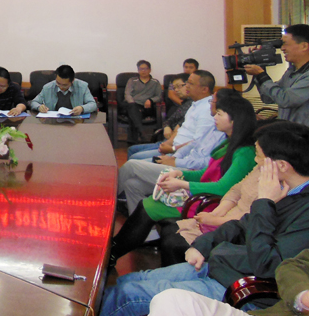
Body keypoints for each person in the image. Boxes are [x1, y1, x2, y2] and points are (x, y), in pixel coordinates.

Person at [100, 121, 309, 316]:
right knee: (131, 280)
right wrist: (203, 244)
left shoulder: (299, 209)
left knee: (127, 294)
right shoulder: (284, 190)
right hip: (221, 265)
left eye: (260, 157)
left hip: (236, 284)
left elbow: (268, 265)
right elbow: (241, 225)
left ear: (282, 165)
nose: (256, 162)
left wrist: (264, 202)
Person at [109, 95, 257, 268]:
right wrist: (180, 173)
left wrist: (181, 184)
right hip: (204, 196)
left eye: (220, 114)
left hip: (212, 204)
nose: (215, 117)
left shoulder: (244, 152)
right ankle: (114, 250)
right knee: (142, 197)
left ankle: (113, 252)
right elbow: (206, 173)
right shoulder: (229, 143)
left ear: (234, 120)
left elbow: (223, 188)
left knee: (148, 207)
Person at [117, 80, 228, 214]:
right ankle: (142, 224)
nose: (210, 104)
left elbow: (205, 164)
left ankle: (107, 201)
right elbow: (193, 144)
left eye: (213, 102)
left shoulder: (225, 138)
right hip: (179, 161)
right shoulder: (213, 127)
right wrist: (174, 157)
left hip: (189, 172)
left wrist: (175, 161)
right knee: (131, 185)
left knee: (132, 165)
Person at [149, 248, 309, 316]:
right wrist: (302, 295)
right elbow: (292, 265)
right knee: (171, 299)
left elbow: (264, 259)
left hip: (234, 274)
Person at [245, 24, 309, 126]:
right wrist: (259, 72)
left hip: (302, 134)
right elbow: (268, 98)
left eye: (285, 44)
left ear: (304, 46)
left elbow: (285, 99)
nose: (282, 48)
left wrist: (261, 75)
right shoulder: (291, 72)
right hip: (288, 132)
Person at [128, 73, 191, 161]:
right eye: (174, 87)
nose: (176, 90)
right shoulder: (184, 104)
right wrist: (167, 127)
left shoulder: (192, 106)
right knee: (132, 150)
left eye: (179, 86)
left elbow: (180, 126)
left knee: (134, 157)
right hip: (167, 142)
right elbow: (168, 121)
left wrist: (170, 144)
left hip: (174, 146)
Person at [27, 64, 96, 116]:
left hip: (75, 122)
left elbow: (93, 104)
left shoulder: (82, 87)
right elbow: (34, 102)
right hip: (54, 121)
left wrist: (82, 108)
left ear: (72, 81)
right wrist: (39, 107)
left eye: (65, 85)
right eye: (58, 83)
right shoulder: (48, 87)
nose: (61, 87)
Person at [123, 60, 163, 143]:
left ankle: (134, 141)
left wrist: (150, 100)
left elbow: (159, 97)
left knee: (133, 115)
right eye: (141, 69)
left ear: (150, 70)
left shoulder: (155, 82)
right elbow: (127, 94)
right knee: (133, 110)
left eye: (145, 69)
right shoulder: (132, 80)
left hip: (147, 107)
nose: (143, 71)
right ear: (138, 70)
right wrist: (133, 103)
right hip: (133, 105)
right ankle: (142, 133)